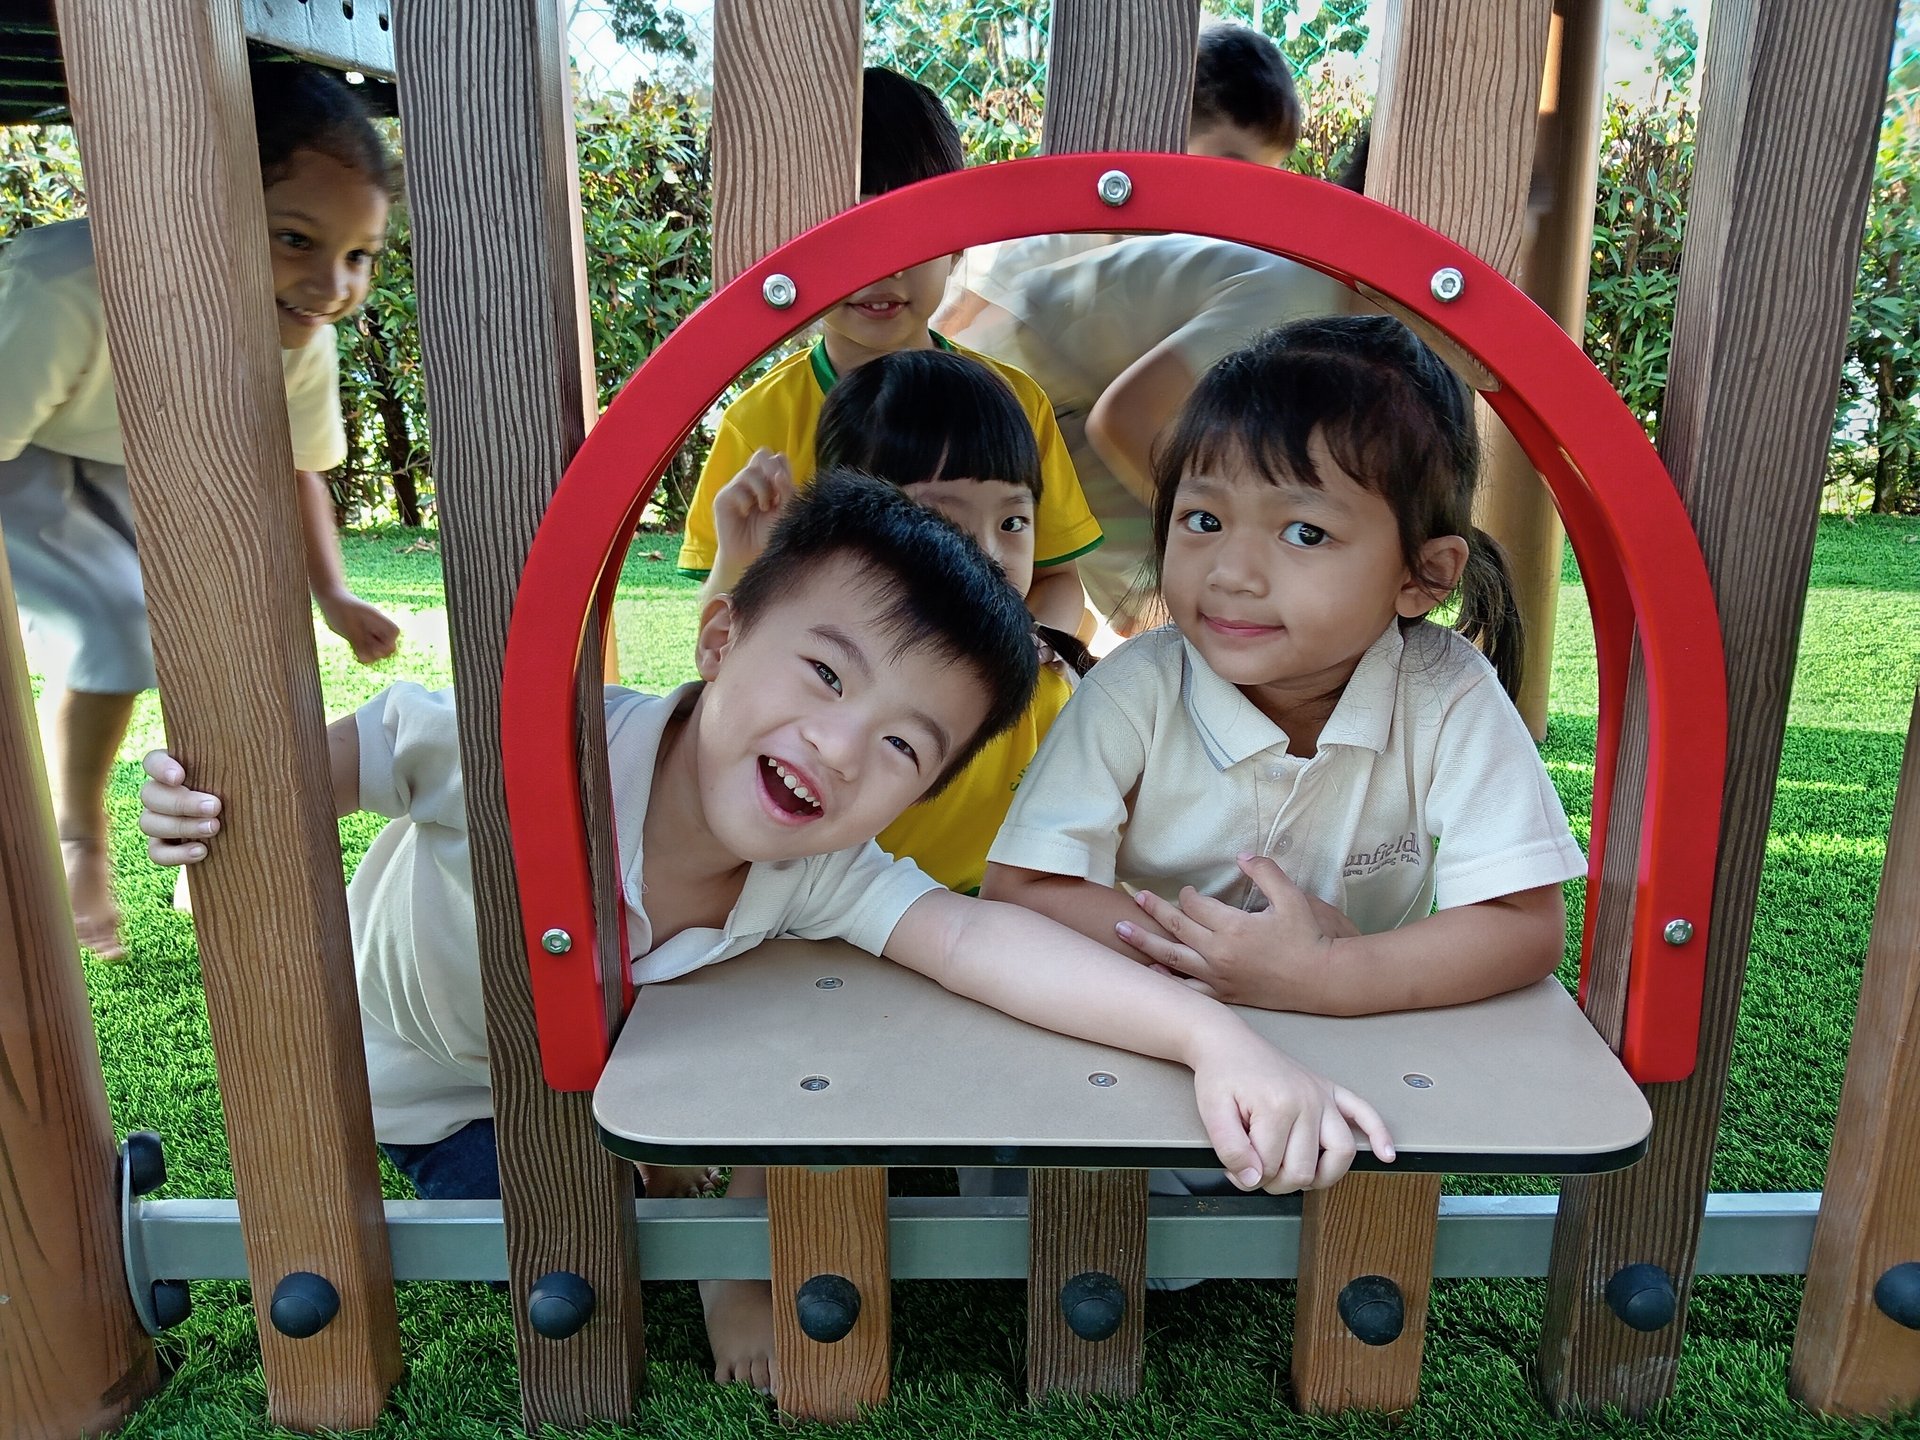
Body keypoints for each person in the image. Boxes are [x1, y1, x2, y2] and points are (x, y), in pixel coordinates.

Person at [138, 471, 1393, 1391]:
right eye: (825, 674)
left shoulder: (817, 869)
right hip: (445, 1093)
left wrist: (1211, 1036)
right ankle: (693, 1232)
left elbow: (979, 944)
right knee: (581, 1254)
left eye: (904, 745)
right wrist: (204, 812)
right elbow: (328, 763)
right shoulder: (518, 756)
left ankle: (693, 1209)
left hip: (625, 1082)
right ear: (722, 636)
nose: (840, 748)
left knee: (751, 1095)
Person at [982, 316, 1586, 1023]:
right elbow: (1021, 885)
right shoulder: (1136, 689)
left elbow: (1524, 923)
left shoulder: (1446, 695)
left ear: (1423, 574)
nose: (1232, 574)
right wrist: (1210, 963)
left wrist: (1332, 974)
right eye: (1203, 520)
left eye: (1305, 532)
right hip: (1164, 1029)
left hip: (1362, 1049)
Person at [0, 59, 401, 959]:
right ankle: (78, 839)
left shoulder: (299, 329)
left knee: (233, 610)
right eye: (295, 239)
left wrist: (331, 597)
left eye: (359, 255)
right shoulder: (65, 290)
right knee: (116, 614)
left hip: (114, 453)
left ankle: (225, 844)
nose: (334, 284)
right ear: (190, 210)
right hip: (15, 445)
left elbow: (293, 471)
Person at [675, 66, 1102, 635]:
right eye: (848, 234)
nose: (885, 267)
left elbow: (1057, 579)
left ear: (957, 244)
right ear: (792, 245)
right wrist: (732, 563)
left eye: (913, 232)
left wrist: (1014, 670)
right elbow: (729, 621)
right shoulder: (757, 427)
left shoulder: (1015, 402)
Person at [713, 347, 1086, 894]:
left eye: (1012, 520)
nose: (989, 552)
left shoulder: (1050, 693)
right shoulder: (812, 684)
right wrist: (737, 561)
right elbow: (723, 695)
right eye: (942, 519)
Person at [948, 235, 1347, 632]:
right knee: (1166, 612)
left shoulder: (1325, 311)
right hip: (1011, 387)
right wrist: (1226, 531)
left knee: (1157, 610)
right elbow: (1125, 418)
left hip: (1072, 389)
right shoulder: (1300, 303)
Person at [935, 20, 1303, 335]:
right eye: (1232, 175)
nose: (1245, 202)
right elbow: (952, 322)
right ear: (1164, 142)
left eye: (1265, 183)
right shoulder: (1073, 224)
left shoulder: (1210, 264)